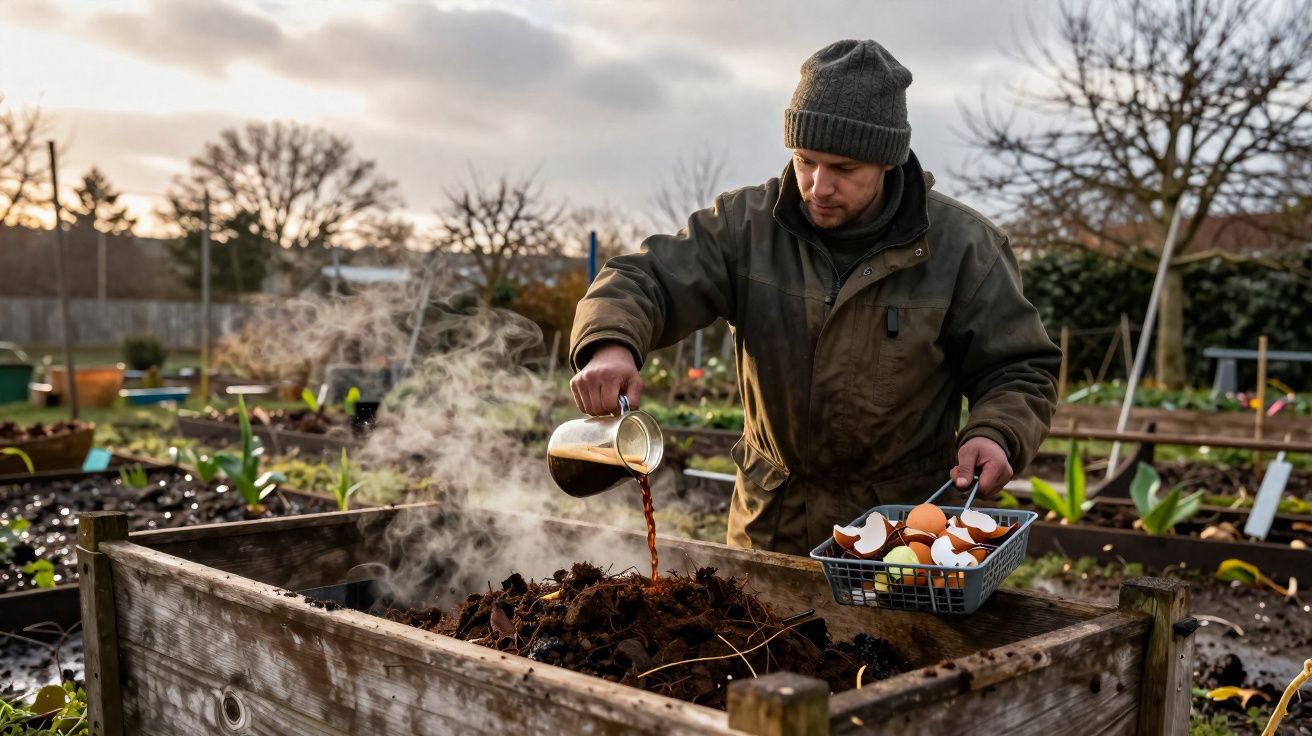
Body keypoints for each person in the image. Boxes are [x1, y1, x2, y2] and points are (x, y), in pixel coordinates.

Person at [567, 39, 1060, 555]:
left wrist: (998, 432)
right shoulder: (745, 228)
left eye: (844, 169)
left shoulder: (965, 249)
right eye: (805, 161)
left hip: (902, 539)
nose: (819, 186)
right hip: (769, 528)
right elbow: (645, 279)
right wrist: (611, 345)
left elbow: (1019, 367)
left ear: (887, 162)